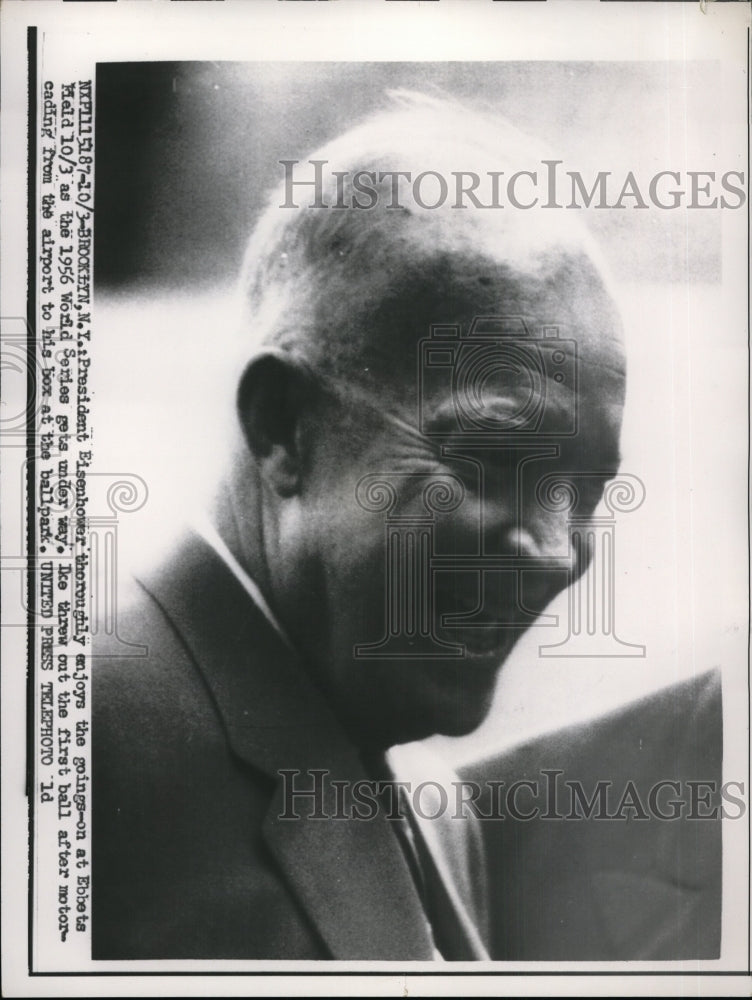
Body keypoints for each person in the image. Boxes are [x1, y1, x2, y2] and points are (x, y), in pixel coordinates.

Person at [92, 93, 720, 960]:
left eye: (587, 492)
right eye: (492, 456)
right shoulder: (73, 752)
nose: (551, 550)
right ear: (284, 429)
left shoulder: (436, 807)